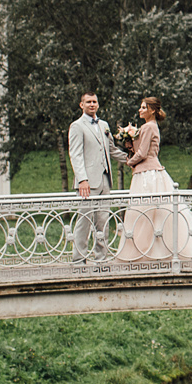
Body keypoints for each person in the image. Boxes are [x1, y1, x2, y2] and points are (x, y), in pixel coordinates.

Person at [115, 95, 192, 263]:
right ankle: (156, 249)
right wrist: (130, 143)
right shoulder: (151, 127)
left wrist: (129, 162)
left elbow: (143, 153)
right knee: (156, 213)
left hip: (147, 174)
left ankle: (148, 251)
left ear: (152, 110)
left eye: (144, 107)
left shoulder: (148, 127)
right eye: (141, 107)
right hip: (150, 172)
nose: (140, 109)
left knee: (145, 212)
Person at [67, 91, 127, 262]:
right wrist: (82, 179)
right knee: (84, 221)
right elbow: (76, 154)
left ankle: (101, 258)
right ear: (82, 105)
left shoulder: (104, 125)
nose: (92, 104)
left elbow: (112, 150)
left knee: (103, 222)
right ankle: (79, 259)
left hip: (105, 180)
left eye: (94, 102)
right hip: (87, 183)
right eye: (88, 102)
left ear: (98, 104)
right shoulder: (77, 126)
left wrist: (131, 159)